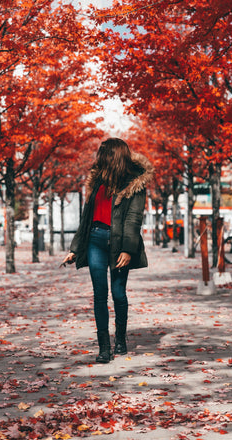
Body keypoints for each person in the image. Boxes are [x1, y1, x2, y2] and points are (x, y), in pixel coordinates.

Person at [62, 138, 153, 363]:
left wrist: (128, 250)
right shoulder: (98, 180)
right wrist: (75, 248)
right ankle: (104, 347)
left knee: (118, 294)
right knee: (99, 294)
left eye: (104, 153)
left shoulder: (134, 183)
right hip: (94, 239)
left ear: (115, 155)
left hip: (119, 243)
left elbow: (133, 219)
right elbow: (86, 217)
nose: (99, 156)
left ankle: (120, 338)